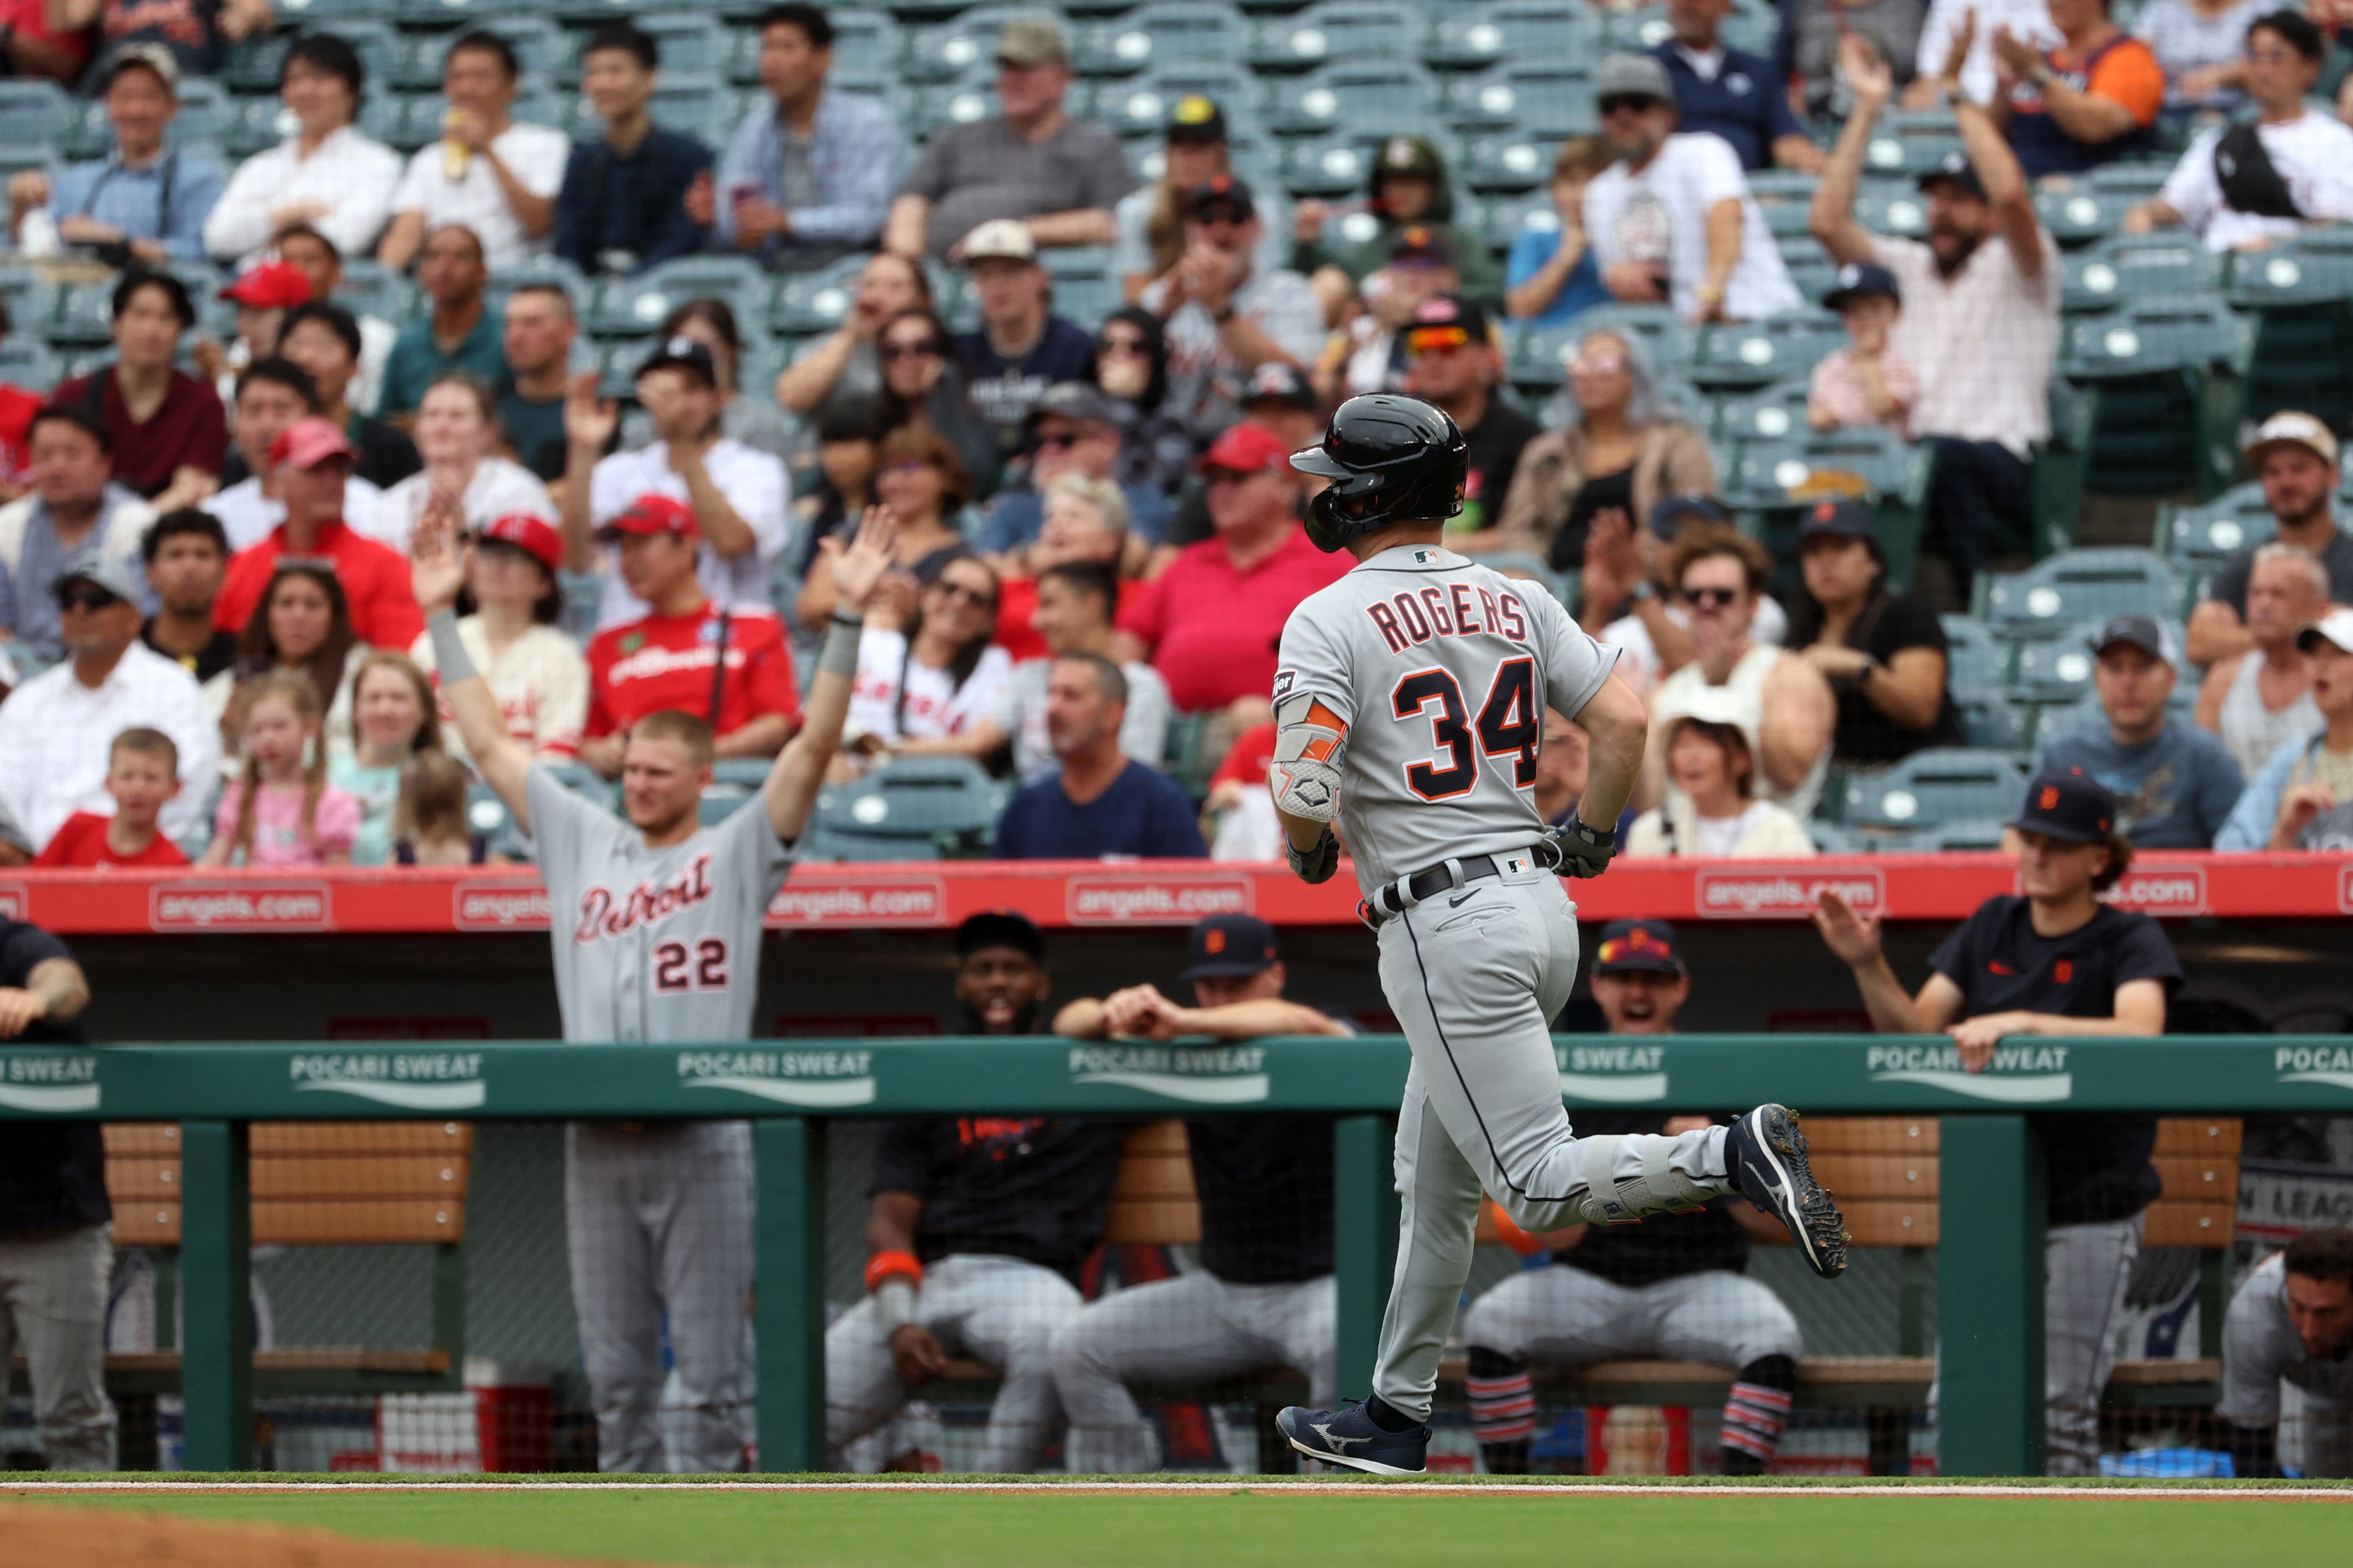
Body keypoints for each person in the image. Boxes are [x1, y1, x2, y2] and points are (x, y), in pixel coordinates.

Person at [1263, 394, 1846, 1475]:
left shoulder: (1327, 617)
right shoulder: (1515, 593)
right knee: (1432, 1181)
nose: (1323, 489)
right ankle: (1394, 1414)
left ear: (1367, 494)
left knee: (1527, 1179)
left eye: (1337, 474)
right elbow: (1624, 720)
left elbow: (1303, 790)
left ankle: (1730, 1151)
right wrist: (1591, 830)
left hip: (1443, 918)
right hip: (1539, 900)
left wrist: (1306, 848)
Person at [410, 501, 892, 1474]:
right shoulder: (581, 835)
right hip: (596, 1141)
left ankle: (713, 1531)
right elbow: (490, 744)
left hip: (704, 1141)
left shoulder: (739, 846)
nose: (636, 781)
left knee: (713, 1376)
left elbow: (809, 743)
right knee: (619, 1377)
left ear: (702, 773)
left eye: (658, 770)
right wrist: (437, 617)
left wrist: (844, 620)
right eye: (628, 766)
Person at [1814, 769, 2174, 1476]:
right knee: (1959, 1404)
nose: (2036, 855)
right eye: (2030, 839)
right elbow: (1915, 1033)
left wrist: (2021, 1023)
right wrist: (1866, 964)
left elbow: (2141, 1032)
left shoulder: (2128, 935)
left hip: (2092, 1205)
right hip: (1994, 1210)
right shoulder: (1992, 924)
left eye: (2058, 844)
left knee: (2062, 1416)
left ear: (2098, 857)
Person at [1460, 918, 1805, 1475]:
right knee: (1491, 1323)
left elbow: (1780, 1224)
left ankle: (1739, 1495)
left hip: (1701, 1288)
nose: (1637, 992)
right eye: (1623, 978)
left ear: (1679, 988)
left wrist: (1717, 1163)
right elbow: (1544, 1230)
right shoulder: (1561, 1082)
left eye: (1653, 978)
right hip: (1591, 1287)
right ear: (1597, 986)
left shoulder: (1723, 1074)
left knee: (1774, 1334)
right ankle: (1508, 1489)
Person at [1050, 913, 1350, 1473]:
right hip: (1222, 1297)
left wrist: (1182, 1017)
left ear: (1275, 975)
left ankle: (1327, 1523)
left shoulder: (1320, 1027)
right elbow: (1068, 1024)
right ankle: (1130, 1511)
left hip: (1319, 1294)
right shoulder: (1184, 1043)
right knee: (1078, 1347)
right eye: (1208, 984)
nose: (1218, 997)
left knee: (1345, 1343)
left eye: (1236, 982)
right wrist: (1110, 1011)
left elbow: (1301, 1021)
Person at [829, 912, 1124, 1474]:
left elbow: (1133, 1027)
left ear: (1041, 983)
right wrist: (899, 1320)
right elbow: (889, 1224)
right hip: (931, 1278)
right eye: (982, 969)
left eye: (1013, 968)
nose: (997, 981)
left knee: (1053, 1343)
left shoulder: (1088, 1072)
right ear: (961, 984)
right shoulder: (928, 1076)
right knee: (791, 1411)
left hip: (1029, 1283)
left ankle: (984, 1506)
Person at [1813, 35, 2058, 604]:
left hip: (2002, 461)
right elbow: (1827, 222)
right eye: (1935, 198)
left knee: (1945, 455)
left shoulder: (2020, 266)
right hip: (1912, 456)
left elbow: (2014, 196)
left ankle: (1972, 605)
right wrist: (1868, 108)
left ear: (1987, 215)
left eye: (1959, 199)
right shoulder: (1908, 267)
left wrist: (1956, 96)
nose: (1941, 211)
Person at [1118, 423, 1348, 721]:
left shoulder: (1330, 561)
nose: (1222, 492)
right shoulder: (1187, 563)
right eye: (1215, 481)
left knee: (1248, 719)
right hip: (1169, 727)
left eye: (1238, 479)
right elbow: (1129, 639)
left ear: (1285, 487)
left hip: (1283, 733)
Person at [567, 338, 790, 632]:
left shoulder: (756, 468)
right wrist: (583, 451)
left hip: (723, 649)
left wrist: (681, 441)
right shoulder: (618, 470)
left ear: (719, 398)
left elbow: (732, 542)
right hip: (632, 650)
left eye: (692, 389)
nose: (678, 401)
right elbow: (577, 559)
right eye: (666, 388)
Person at [0, 555, 214, 851]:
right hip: (44, 867)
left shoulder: (173, 688)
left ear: (134, 618)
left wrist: (119, 854)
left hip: (146, 867)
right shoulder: (30, 700)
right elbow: (9, 797)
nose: (80, 610)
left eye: (97, 600)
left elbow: (191, 791)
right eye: (68, 601)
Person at [579, 494, 798, 781]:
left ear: (687, 545)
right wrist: (599, 753)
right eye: (623, 550)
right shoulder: (606, 644)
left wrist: (692, 759)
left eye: (641, 545)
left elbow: (778, 723)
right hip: (632, 792)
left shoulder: (756, 627)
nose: (628, 562)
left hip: (728, 786)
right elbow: (587, 738)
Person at [883, 18, 1131, 262]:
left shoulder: (1095, 144)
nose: (1012, 81)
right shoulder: (959, 137)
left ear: (1062, 79)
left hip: (1032, 274)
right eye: (1007, 70)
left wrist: (1014, 234)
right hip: (944, 272)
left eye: (1025, 70)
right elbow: (912, 202)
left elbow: (1111, 223)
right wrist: (907, 262)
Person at [1582, 54, 1802, 326]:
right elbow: (1622, 276)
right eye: (1610, 106)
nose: (1623, 116)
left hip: (1757, 314)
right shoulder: (1600, 192)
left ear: (1669, 114)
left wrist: (1713, 290)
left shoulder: (1703, 151)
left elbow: (1725, 219)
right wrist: (1623, 279)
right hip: (1682, 335)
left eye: (1638, 105)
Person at [1476, 329, 1716, 576]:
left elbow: (1696, 522)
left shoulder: (1677, 444)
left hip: (1646, 573)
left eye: (1605, 365)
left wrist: (1645, 558)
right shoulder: (1547, 451)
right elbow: (1518, 529)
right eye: (1582, 365)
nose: (1590, 376)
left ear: (1634, 376)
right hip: (1554, 580)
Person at [0, 910, 103, 1469]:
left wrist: (33, 1002)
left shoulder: (17, 944)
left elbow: (67, 986)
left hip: (53, 1222)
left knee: (70, 1418)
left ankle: (94, 1550)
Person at [918, 556, 1169, 784]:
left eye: (1049, 604)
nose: (1036, 621)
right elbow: (975, 743)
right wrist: (894, 750)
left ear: (1092, 606)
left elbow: (1135, 780)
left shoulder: (1139, 687)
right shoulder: (1030, 677)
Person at [1647, 526, 1838, 819]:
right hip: (1681, 854)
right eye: (1695, 595)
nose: (1707, 605)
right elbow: (1648, 799)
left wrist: (1725, 689)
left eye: (1723, 596)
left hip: (1769, 854)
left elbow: (1790, 775)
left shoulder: (1791, 675)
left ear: (1753, 605)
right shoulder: (1665, 692)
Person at [2126, 11, 2353, 254]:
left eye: (2277, 58)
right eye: (2255, 56)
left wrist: (2277, 245)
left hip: (2295, 275)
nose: (2263, 70)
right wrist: (2145, 214)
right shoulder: (2220, 140)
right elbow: (2174, 204)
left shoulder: (2336, 141)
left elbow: (2334, 227)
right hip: (2216, 273)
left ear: (2310, 67)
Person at [706, 3, 899, 272]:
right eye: (767, 47)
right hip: (771, 265)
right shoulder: (753, 128)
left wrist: (790, 222)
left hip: (853, 265)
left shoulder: (866, 121)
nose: (772, 60)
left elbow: (871, 217)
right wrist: (717, 217)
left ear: (823, 59)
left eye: (787, 48)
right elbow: (736, 211)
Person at [1141, 175, 1324, 445]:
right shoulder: (1161, 296)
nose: (1220, 231)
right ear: (1190, 229)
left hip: (1257, 447)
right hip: (1172, 443)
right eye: (1207, 218)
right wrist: (1159, 318)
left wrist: (1219, 308)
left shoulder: (1288, 290)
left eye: (1235, 218)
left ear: (1257, 228)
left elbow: (1298, 376)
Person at [214, 418, 423, 652]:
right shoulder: (243, 568)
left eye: (340, 469)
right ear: (277, 483)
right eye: (315, 470)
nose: (331, 481)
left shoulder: (386, 566)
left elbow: (401, 658)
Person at [2038, 614, 2243, 847]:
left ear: (2171, 679)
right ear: (2097, 679)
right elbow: (2024, 841)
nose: (2128, 683)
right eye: (2115, 669)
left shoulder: (2206, 757)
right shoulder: (2063, 757)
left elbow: (2241, 853)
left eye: (2143, 668)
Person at [5, 45, 221, 266]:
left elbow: (205, 251)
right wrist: (20, 209)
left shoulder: (197, 180)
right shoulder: (78, 180)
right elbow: (33, 248)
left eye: (150, 97)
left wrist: (118, 243)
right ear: (109, 104)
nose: (136, 110)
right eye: (125, 96)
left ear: (173, 107)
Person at [203, 32, 404, 267]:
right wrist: (295, 213)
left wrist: (263, 230)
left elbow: (348, 239)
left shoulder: (378, 163)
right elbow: (219, 238)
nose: (306, 90)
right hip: (254, 290)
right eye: (295, 80)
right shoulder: (261, 165)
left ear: (353, 92)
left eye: (320, 79)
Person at [1786, 501, 1963, 766]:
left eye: (1841, 547)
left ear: (1874, 561)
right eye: (1813, 552)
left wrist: (1860, 668)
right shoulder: (1802, 626)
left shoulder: (1906, 615)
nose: (1825, 561)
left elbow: (1920, 710)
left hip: (1912, 771)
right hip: (1833, 777)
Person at [406, 511, 587, 768]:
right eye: (489, 552)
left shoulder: (562, 655)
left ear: (544, 583)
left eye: (516, 557)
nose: (498, 565)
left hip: (519, 799)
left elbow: (556, 759)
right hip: (437, 791)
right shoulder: (432, 641)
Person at [377, 30, 567, 274]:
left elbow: (542, 223)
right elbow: (407, 232)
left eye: (481, 77)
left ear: (512, 84)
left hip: (511, 279)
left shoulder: (546, 145)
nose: (467, 89)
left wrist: (487, 149)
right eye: (457, 78)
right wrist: (384, 277)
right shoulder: (429, 158)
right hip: (444, 281)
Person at [992, 653, 1205, 859]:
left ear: (1112, 715)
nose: (1053, 709)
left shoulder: (1162, 804)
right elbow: (995, 893)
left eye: (1071, 696)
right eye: (1051, 694)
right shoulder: (1027, 807)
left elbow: (1193, 892)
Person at [51, 269, 225, 512]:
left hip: (170, 531)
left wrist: (133, 530)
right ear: (116, 325)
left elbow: (193, 486)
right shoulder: (73, 396)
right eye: (140, 315)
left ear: (181, 330)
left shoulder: (203, 403)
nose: (152, 330)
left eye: (166, 318)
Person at [2188, 414, 2353, 667]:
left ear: (2332, 475)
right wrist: (2320, 634)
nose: (2286, 482)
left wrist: (2258, 637)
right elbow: (2200, 643)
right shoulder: (2246, 566)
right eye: (2273, 472)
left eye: (2300, 468)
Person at [551, 21, 712, 278]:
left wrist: (631, 286)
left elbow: (682, 239)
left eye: (615, 71)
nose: (603, 84)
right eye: (593, 72)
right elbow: (569, 242)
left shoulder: (688, 156)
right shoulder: (581, 161)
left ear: (650, 78)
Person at [0, 407, 154, 665]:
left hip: (112, 665)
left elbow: (141, 618)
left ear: (105, 463)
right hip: (21, 673)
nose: (57, 467)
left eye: (73, 454)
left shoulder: (138, 525)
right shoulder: (7, 526)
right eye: (45, 455)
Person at [1293, 136, 1503, 317]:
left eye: (1413, 180)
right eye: (1392, 181)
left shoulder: (1462, 243)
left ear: (1434, 187)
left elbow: (1495, 294)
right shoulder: (1366, 253)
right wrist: (1307, 246)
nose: (1402, 191)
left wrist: (1425, 299)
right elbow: (1314, 290)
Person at [1114, 95, 1290, 304]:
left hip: (1243, 312)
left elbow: (1265, 289)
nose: (1184, 160)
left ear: (1220, 153)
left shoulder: (1255, 210)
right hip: (1169, 321)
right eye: (1177, 147)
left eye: (1196, 149)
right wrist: (1184, 276)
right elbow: (1136, 302)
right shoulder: (1137, 210)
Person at [796, 425, 973, 630]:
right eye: (886, 471)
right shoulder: (854, 535)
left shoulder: (963, 556)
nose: (895, 482)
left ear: (946, 477)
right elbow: (810, 608)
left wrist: (913, 610)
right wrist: (873, 598)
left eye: (910, 468)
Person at [842, 550, 1011, 765]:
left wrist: (884, 753)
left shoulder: (992, 665)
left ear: (989, 620)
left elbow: (977, 745)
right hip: (840, 769)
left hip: (922, 784)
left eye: (976, 600)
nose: (959, 602)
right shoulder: (875, 642)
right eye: (949, 589)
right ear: (926, 594)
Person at [2213, 1226, 2353, 1478]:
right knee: (2327, 1504)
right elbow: (2252, 1457)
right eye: (2298, 1308)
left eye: (2327, 1313)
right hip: (2325, 1404)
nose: (2309, 1331)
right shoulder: (2253, 1313)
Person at [208, 359, 387, 552]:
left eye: (282, 410)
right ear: (234, 425)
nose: (267, 426)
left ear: (312, 418)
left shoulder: (369, 506)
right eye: (254, 411)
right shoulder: (216, 515)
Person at [1401, 296, 1540, 542]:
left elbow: (1522, 535)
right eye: (1421, 347)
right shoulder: (1393, 434)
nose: (1433, 359)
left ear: (1486, 355)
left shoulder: (1523, 439)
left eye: (1448, 346)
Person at [976, 382, 1169, 558]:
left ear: (1108, 444)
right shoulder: (1014, 506)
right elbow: (985, 566)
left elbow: (1132, 557)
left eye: (1066, 440)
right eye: (1040, 442)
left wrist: (1025, 560)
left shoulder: (1140, 501)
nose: (1048, 451)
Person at [953, 219, 1099, 453]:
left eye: (1011, 272)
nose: (999, 285)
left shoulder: (1076, 347)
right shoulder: (962, 351)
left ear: (1041, 277)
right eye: (986, 275)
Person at [2217, 607, 2353, 851]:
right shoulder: (2290, 760)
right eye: (2314, 655)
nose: (2320, 666)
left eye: (2338, 654)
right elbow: (2231, 852)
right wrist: (2285, 832)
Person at [372, 374, 552, 555]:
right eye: (432, 415)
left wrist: (462, 530)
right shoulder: (392, 503)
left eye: (457, 416)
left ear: (488, 431)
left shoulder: (518, 491)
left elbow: (526, 572)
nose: (442, 426)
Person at [1986, 0, 2164, 178]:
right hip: (2018, 182)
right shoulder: (2039, 58)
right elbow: (1991, 135)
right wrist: (2004, 83)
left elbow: (2095, 128)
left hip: (2085, 189)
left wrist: (2035, 74)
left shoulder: (2130, 57)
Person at [202, 669, 359, 868]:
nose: (268, 738)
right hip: (253, 897)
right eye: (257, 730)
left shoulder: (332, 803)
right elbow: (214, 863)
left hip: (309, 898)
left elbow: (340, 879)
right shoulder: (241, 795)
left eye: (280, 726)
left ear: (309, 727)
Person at [2195, 544, 2326, 778]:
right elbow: (2200, 775)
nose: (2264, 605)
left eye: (2279, 594)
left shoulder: (2336, 682)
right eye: (2256, 593)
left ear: (2318, 608)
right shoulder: (2223, 681)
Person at [618, 300, 795, 466]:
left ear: (731, 351)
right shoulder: (643, 428)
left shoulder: (762, 425)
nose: (689, 358)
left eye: (703, 347)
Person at [1657, 0, 1824, 172]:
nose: (1688, 6)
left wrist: (1814, 162)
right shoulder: (1650, 70)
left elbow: (1785, 138)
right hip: (1674, 187)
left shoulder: (1758, 71)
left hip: (1750, 187)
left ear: (1725, 7)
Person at [275, 301, 422, 492]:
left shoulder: (392, 449)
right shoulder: (267, 446)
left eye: (324, 345)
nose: (307, 357)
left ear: (355, 367)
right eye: (297, 345)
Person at [989, 472, 1136, 661]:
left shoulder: (1139, 600)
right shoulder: (1007, 591)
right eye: (1050, 518)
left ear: (1110, 541)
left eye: (1073, 518)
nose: (1057, 526)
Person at [774, 251, 935, 423]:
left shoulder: (938, 347)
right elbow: (791, 398)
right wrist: (850, 335)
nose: (879, 296)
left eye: (896, 287)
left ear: (923, 299)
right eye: (870, 285)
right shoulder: (834, 346)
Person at [1626, 716, 1820, 857]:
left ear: (1742, 758)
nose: (1693, 756)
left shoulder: (1779, 830)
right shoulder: (1650, 830)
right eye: (1684, 744)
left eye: (1707, 743)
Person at [377, 226, 509, 421]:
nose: (445, 267)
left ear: (482, 272)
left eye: (461, 257)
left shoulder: (507, 339)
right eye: (433, 256)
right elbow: (387, 420)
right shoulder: (406, 345)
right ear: (421, 271)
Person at [233, 560, 360, 753]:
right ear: (268, 613)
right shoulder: (241, 675)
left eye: (312, 605)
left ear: (334, 615)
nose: (298, 616)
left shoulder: (359, 671)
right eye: (286, 604)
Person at [273, 223, 397, 419]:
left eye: (310, 260)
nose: (296, 271)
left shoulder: (377, 338)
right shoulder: (250, 342)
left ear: (337, 273)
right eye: (287, 261)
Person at [330, 650, 443, 866]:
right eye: (374, 698)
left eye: (398, 698)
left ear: (425, 711)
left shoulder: (439, 780)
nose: (385, 710)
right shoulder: (322, 773)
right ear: (355, 709)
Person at [33, 726, 187, 868]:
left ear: (175, 788)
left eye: (151, 778)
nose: (138, 789)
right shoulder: (77, 829)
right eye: (127, 776)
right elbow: (33, 888)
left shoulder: (174, 864)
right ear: (108, 783)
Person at [1504, 138, 1618, 329]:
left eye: (1594, 182)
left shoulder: (1624, 236)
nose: (1582, 194)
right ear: (1554, 190)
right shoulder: (1536, 238)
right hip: (1547, 342)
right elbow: (1520, 310)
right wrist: (1567, 255)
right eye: (1572, 182)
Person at [1089, 307, 1194, 501]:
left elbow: (1152, 483)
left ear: (1154, 357)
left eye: (1136, 347)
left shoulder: (1172, 418)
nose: (1119, 355)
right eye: (1107, 345)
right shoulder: (1080, 408)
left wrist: (1122, 401)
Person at [1809, 264, 1921, 438]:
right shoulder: (1832, 364)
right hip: (1841, 452)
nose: (1865, 318)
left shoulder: (1903, 362)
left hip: (1887, 457)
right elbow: (1817, 414)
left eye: (1874, 308)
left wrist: (1868, 361)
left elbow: (1884, 408)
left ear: (1896, 312)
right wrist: (1822, 417)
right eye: (1854, 311)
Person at [137, 507, 237, 696]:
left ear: (225, 572)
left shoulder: (241, 658)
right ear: (150, 573)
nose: (190, 567)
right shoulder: (127, 652)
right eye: (175, 555)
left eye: (203, 555)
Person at [1781, 0, 1930, 119]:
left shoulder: (1917, 6)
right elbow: (1777, 67)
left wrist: (1923, 89)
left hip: (1897, 116)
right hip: (1817, 118)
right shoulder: (1800, 6)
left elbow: (1933, 71)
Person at [61, 0, 270, 79]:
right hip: (118, 76)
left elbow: (261, 14)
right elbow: (71, 19)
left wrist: (243, 18)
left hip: (182, 77)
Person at [495, 284, 576, 482]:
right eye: (509, 324)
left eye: (532, 323)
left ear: (568, 332)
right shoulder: (491, 405)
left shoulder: (590, 410)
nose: (516, 336)